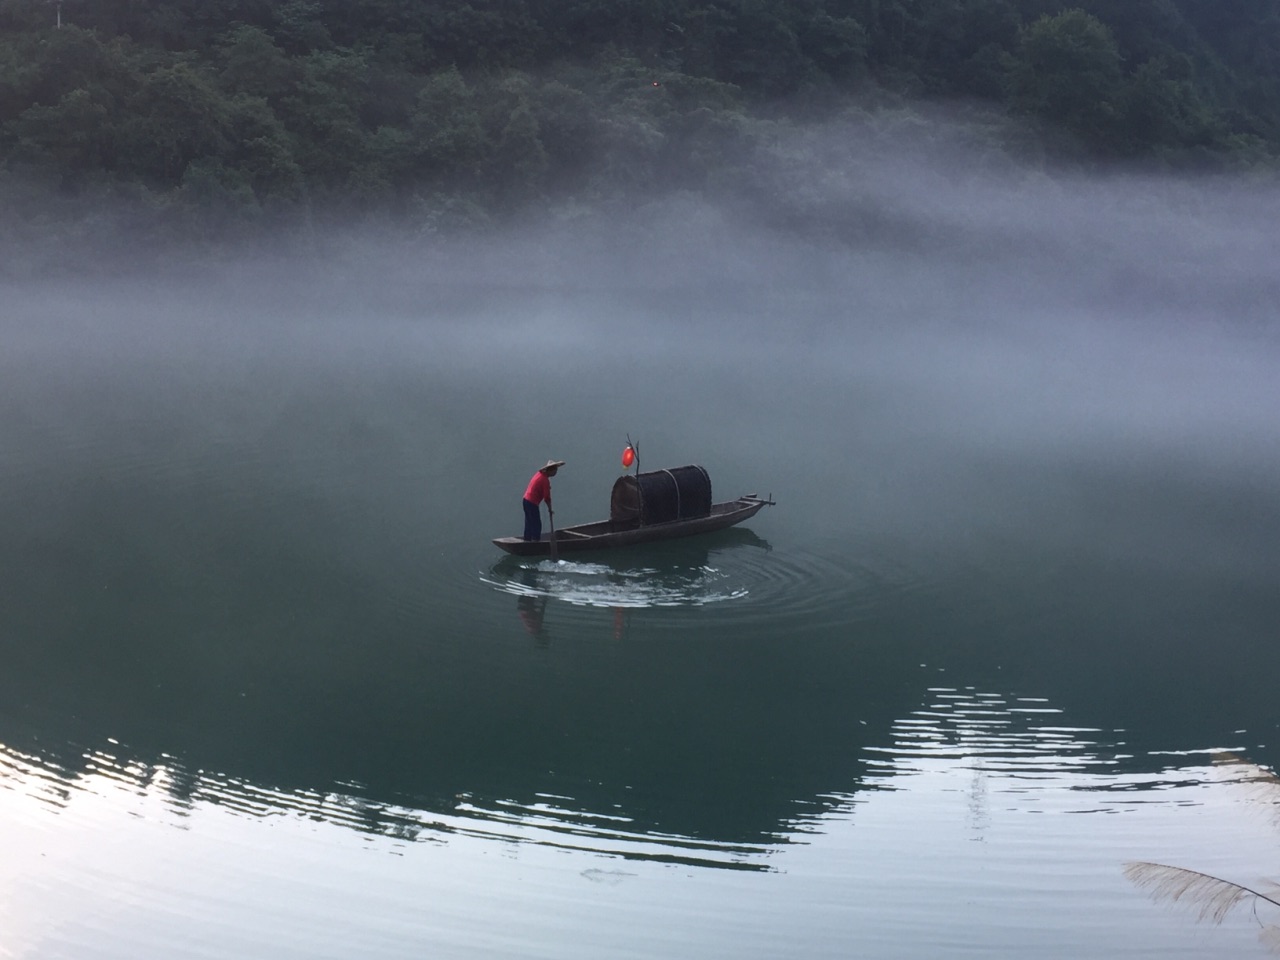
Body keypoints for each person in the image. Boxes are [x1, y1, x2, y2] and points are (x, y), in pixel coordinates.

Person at [522, 459, 564, 541]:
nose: (556, 473)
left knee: (529, 522)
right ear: (551, 471)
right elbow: (547, 498)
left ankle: (527, 539)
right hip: (531, 502)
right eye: (555, 471)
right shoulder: (545, 480)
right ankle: (536, 541)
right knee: (536, 523)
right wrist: (550, 509)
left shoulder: (539, 474)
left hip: (525, 500)